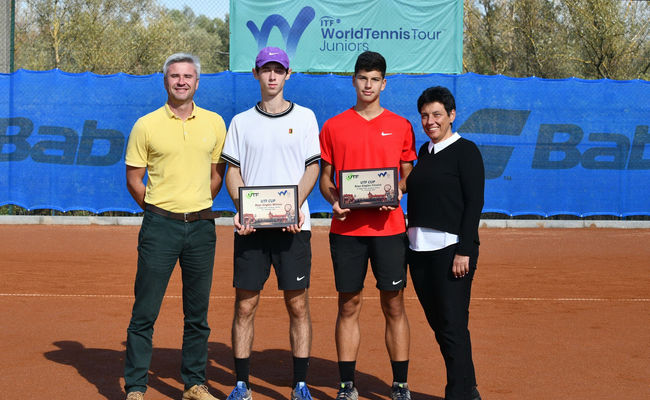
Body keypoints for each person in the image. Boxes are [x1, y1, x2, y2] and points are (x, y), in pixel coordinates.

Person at [123, 53, 226, 400]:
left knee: (198, 315)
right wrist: (159, 211)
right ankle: (136, 387)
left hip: (201, 229)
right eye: (174, 76)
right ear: (165, 81)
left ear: (197, 82)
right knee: (144, 313)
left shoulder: (214, 123)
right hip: (159, 229)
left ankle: (194, 384)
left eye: (188, 76)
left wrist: (193, 205)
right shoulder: (146, 125)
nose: (181, 81)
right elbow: (135, 179)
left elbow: (215, 177)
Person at [221, 47, 321, 400]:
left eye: (279, 70)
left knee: (297, 305)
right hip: (252, 230)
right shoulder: (240, 122)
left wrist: (294, 207)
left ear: (288, 75)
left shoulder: (307, 118)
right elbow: (233, 172)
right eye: (266, 70)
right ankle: (241, 385)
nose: (273, 76)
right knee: (245, 305)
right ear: (256, 74)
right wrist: (242, 208)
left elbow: (313, 168)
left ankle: (301, 385)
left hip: (294, 228)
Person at [319, 51, 417, 400]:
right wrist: (334, 199)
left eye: (375, 79)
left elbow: (407, 174)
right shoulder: (333, 126)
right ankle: (347, 385)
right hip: (346, 231)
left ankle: (400, 385)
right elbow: (326, 178)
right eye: (363, 78)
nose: (368, 84)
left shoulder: (402, 125)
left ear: (384, 83)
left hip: (389, 229)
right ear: (354, 80)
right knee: (349, 305)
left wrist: (398, 193)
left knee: (394, 305)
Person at [406, 86, 485, 400]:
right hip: (418, 250)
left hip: (451, 251)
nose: (430, 121)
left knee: (452, 326)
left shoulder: (466, 151)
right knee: (441, 326)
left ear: (451, 116)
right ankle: (469, 388)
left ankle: (457, 393)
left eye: (437, 114)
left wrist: (464, 249)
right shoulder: (423, 153)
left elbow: (474, 203)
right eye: (424, 115)